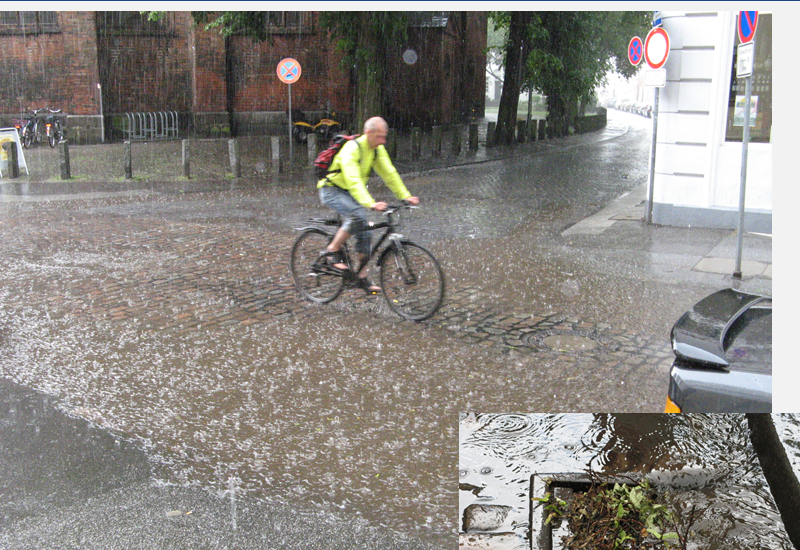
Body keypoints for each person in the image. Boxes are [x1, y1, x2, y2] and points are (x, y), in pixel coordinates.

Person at [317, 116, 419, 293]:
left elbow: (389, 174)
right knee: (358, 214)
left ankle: (361, 277)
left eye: (384, 137)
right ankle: (331, 251)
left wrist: (405, 196)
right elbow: (354, 180)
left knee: (364, 230)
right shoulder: (352, 148)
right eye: (379, 137)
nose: (383, 141)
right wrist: (370, 203)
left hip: (350, 191)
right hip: (331, 189)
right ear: (368, 133)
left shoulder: (377, 150)